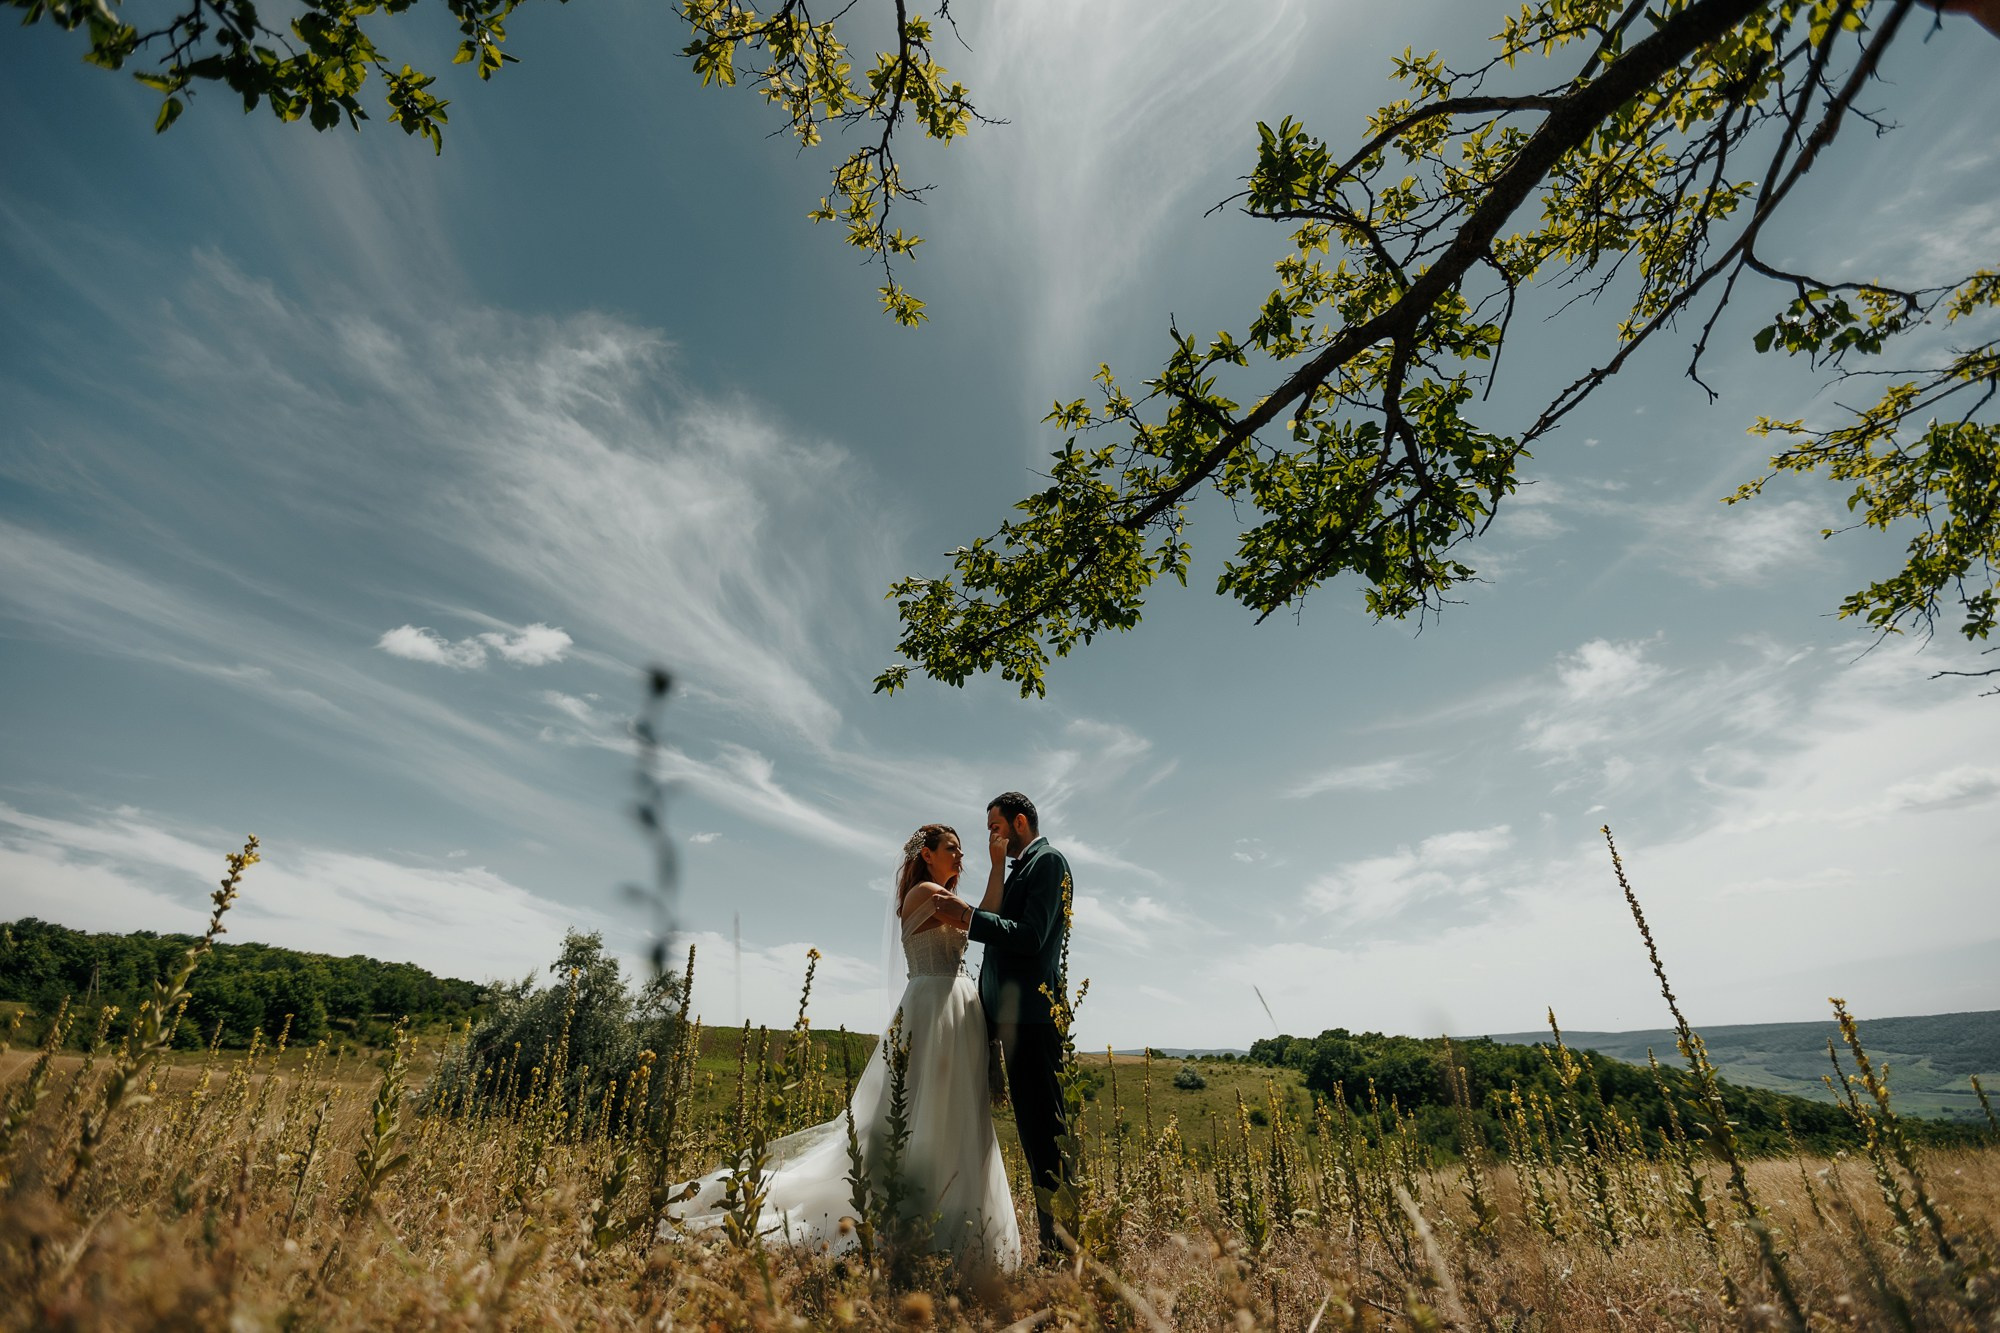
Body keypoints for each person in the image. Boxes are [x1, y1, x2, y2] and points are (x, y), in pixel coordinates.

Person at [668, 824, 1020, 1271]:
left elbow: (983, 919)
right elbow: (980, 922)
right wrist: (993, 880)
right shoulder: (926, 893)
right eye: (951, 848)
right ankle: (920, 1220)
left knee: (955, 1111)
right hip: (934, 1009)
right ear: (926, 855)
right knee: (921, 1110)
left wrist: (994, 868)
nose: (959, 855)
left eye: (961, 851)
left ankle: (954, 1222)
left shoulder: (944, 894)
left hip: (956, 1010)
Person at [925, 791, 1072, 1263]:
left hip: (1032, 1017)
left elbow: (1030, 938)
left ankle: (1063, 1254)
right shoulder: (1021, 869)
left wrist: (969, 918)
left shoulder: (1047, 863)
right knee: (1033, 1134)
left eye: (996, 827)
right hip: (1011, 1021)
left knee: (1046, 1137)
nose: (992, 835)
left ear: (1020, 822)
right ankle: (1055, 1250)